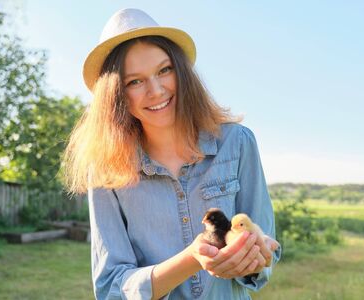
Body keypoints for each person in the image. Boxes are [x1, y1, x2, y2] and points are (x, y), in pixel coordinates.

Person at [63, 8, 281, 300]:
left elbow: (264, 247)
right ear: (116, 97)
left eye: (164, 70)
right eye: (135, 81)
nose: (156, 90)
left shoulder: (237, 142)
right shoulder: (104, 169)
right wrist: (193, 258)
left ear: (181, 72)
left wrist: (253, 259)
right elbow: (110, 287)